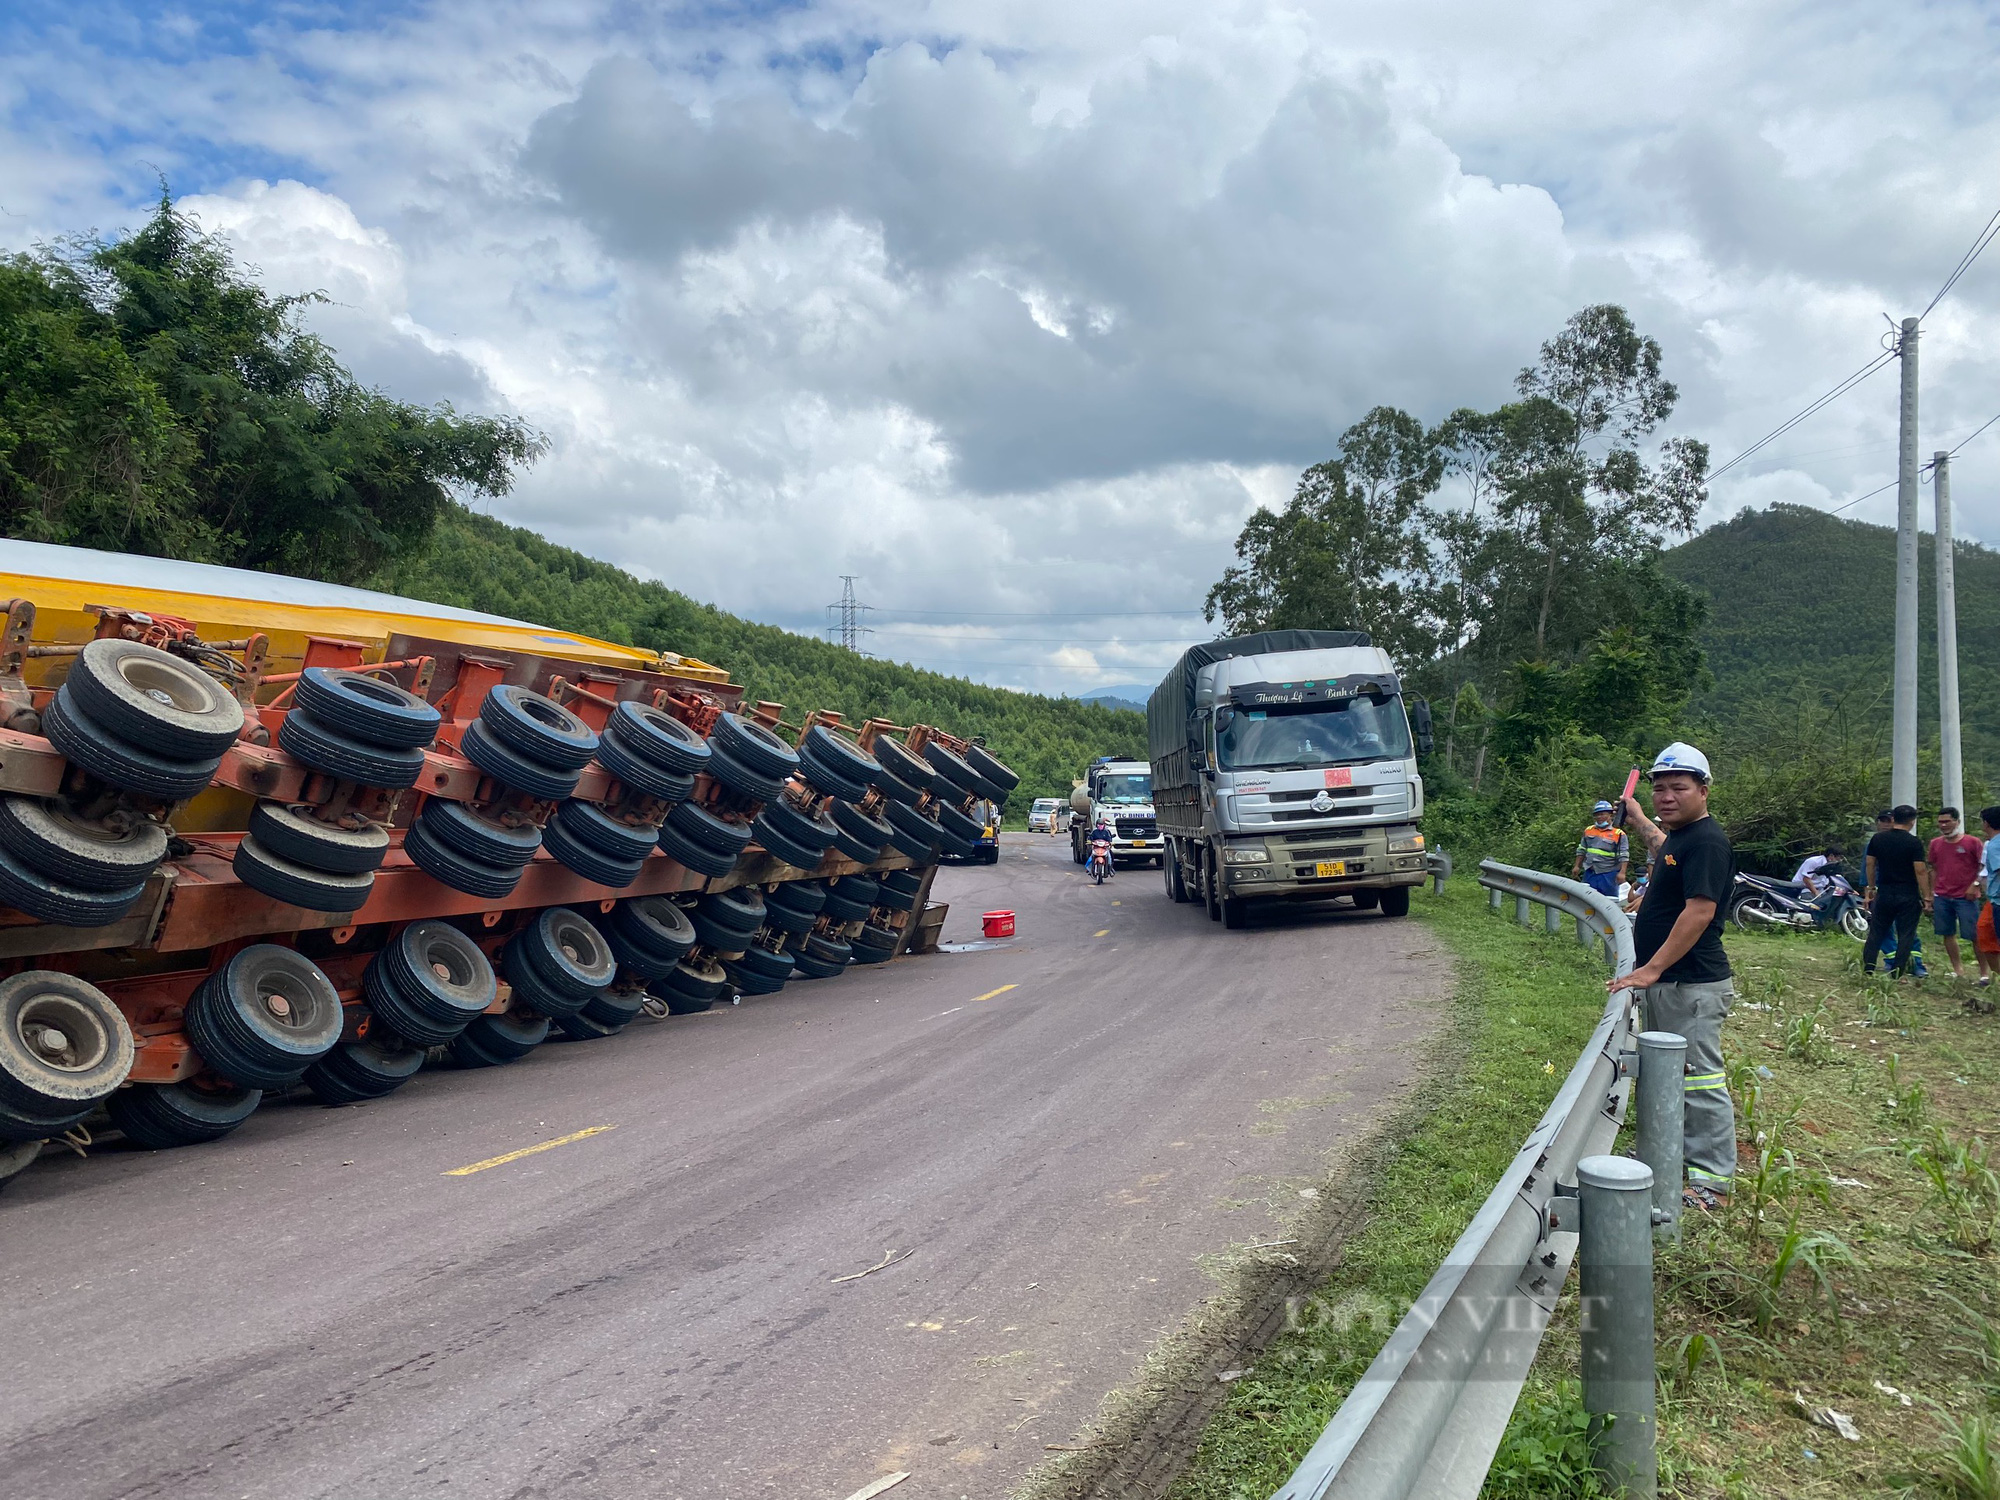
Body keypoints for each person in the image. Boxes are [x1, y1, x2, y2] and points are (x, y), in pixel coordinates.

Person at [1609, 741, 1737, 1209]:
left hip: (1691, 983)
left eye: (1678, 788)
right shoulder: (1681, 838)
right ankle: (1669, 1157)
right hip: (1673, 983)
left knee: (1699, 1081)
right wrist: (1639, 819)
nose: (1667, 796)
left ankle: (1712, 1184)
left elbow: (1699, 912)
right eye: (1659, 788)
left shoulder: (1706, 841)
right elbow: (1661, 846)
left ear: (1703, 791)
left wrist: (1650, 969)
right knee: (1669, 1076)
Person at [1863, 805, 1932, 977]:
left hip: (1885, 891)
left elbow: (1870, 864)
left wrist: (1871, 888)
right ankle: (1898, 972)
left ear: (1894, 818)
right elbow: (1920, 870)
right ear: (1912, 821)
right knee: (1906, 934)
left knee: (1876, 932)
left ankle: (1868, 969)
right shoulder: (1913, 842)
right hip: (1907, 893)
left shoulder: (1878, 839)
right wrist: (1927, 895)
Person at [1928, 807, 1989, 983]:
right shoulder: (1936, 844)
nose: (1944, 825)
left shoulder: (1972, 842)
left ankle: (1984, 973)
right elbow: (1933, 869)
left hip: (1966, 897)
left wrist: (1975, 885)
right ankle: (1958, 969)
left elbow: (1983, 866)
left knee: (1974, 935)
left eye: (1947, 821)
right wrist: (1932, 893)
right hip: (1942, 895)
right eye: (1940, 822)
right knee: (1947, 933)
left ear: (1957, 821)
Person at [1571, 800, 1630, 898]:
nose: (1599, 817)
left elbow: (1623, 854)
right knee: (1587, 899)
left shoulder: (1619, 834)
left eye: (1602, 814)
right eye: (1597, 815)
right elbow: (1581, 849)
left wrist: (1622, 873)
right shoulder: (1589, 830)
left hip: (1608, 873)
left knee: (1608, 901)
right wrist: (1577, 866)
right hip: (1590, 872)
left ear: (1610, 815)